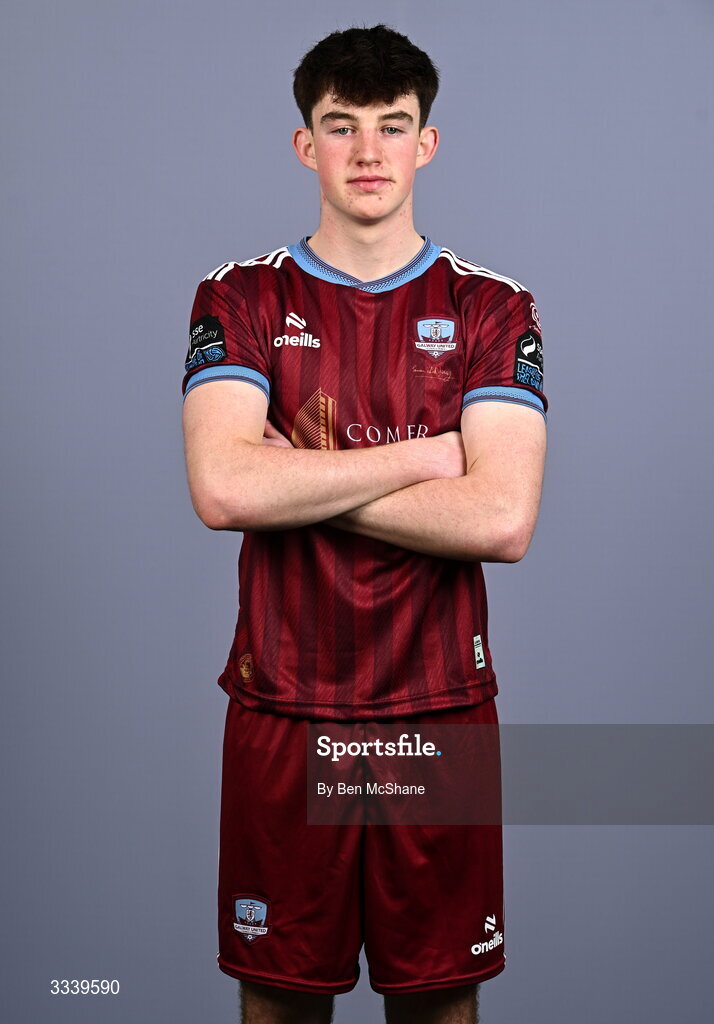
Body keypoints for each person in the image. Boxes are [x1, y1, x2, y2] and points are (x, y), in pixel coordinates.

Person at [181, 23, 547, 1024]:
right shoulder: (242, 295)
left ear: (428, 143)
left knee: (439, 1008)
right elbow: (221, 489)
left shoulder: (491, 309)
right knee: (280, 1004)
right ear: (307, 145)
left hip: (436, 714)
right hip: (286, 710)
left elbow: (503, 516)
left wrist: (295, 471)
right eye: (341, 127)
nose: (369, 153)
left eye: (394, 127)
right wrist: (429, 458)